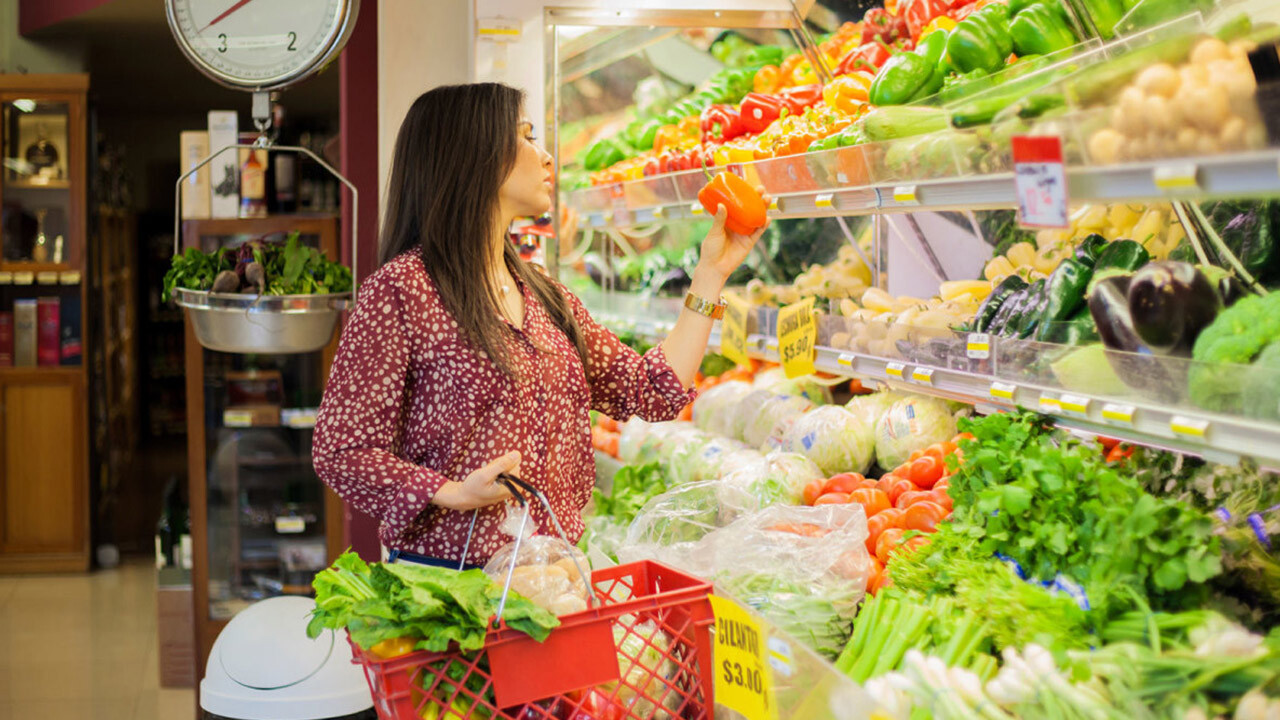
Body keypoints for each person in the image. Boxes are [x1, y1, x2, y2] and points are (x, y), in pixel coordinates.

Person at [312, 83, 769, 569]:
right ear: (474, 154)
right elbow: (342, 448)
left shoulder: (542, 294)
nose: (546, 156)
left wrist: (711, 273)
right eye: (527, 137)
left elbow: (650, 390)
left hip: (554, 580)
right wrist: (451, 492)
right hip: (449, 587)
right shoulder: (403, 290)